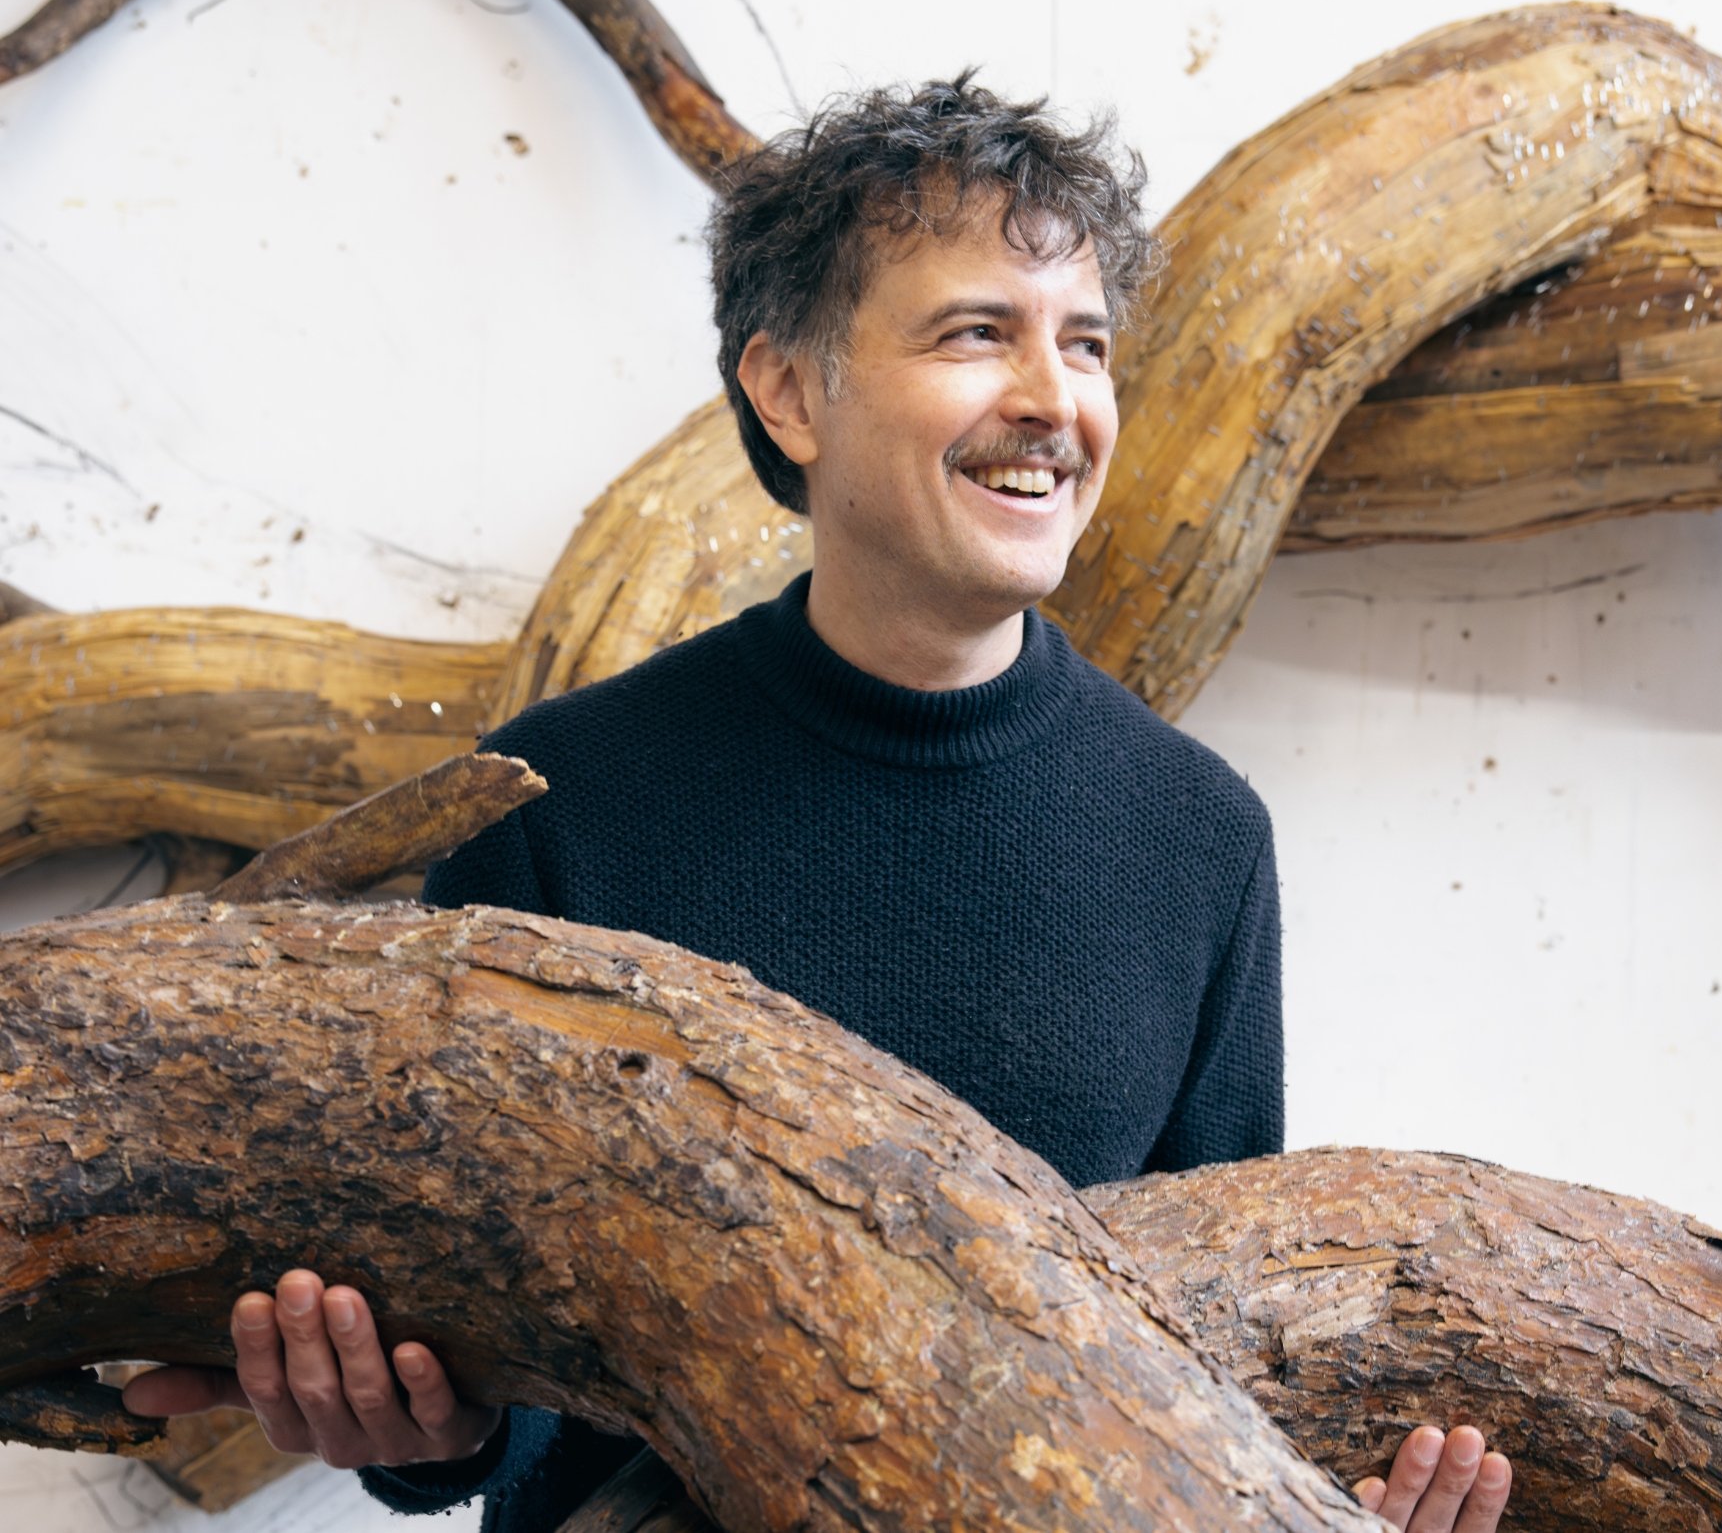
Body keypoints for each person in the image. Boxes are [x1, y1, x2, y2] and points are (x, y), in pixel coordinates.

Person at [124, 75, 1512, 1533]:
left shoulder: (1201, 840)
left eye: (1085, 343)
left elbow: (1209, 1374)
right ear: (788, 388)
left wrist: (1322, 1509)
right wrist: (418, 1418)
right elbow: (468, 1372)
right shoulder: (556, 804)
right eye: (980, 332)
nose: (1054, 400)